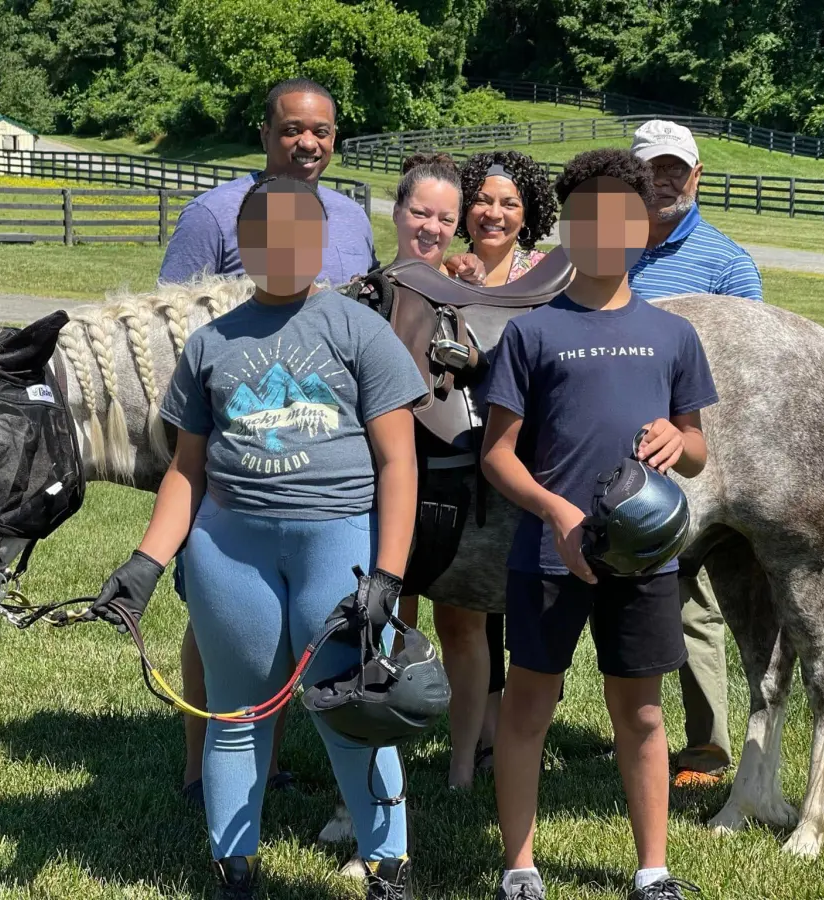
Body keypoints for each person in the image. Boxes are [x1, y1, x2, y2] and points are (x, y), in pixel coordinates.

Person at [88, 174, 426, 900]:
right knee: (236, 715)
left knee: (351, 713)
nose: (283, 248)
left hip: (338, 545)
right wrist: (147, 561)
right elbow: (187, 470)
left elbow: (399, 462)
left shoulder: (358, 330)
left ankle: (388, 870)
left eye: (299, 234)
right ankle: (234, 872)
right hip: (230, 552)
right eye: (266, 235)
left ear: (320, 241)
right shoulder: (210, 344)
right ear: (244, 243)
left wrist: (389, 575)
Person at [481, 148, 715, 900]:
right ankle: (520, 867)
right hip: (549, 555)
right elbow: (496, 456)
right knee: (528, 707)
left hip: (644, 558)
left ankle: (653, 870)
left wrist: (679, 440)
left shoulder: (673, 335)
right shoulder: (532, 333)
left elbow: (697, 452)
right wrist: (556, 510)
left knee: (641, 712)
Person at [158, 77, 379, 806]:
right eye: (291, 129)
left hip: (323, 459)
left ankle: (279, 763)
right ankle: (203, 767)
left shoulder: (350, 216)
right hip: (235, 460)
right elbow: (172, 325)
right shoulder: (212, 215)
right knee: (220, 622)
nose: (306, 143)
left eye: (320, 131)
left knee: (313, 623)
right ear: (264, 133)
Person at [412, 149, 559, 788]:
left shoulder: (548, 278)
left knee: (525, 606)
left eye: (510, 203)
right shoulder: (448, 272)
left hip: (528, 457)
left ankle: (515, 734)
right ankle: (473, 746)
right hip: (454, 462)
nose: (494, 213)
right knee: (462, 613)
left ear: (529, 213)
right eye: (483, 200)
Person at [626, 119, 763, 789]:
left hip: (688, 455)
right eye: (651, 169)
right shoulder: (604, 251)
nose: (664, 181)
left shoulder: (727, 264)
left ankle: (706, 749)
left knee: (690, 600)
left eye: (676, 169)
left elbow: (748, 378)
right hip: (599, 443)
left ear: (697, 176)